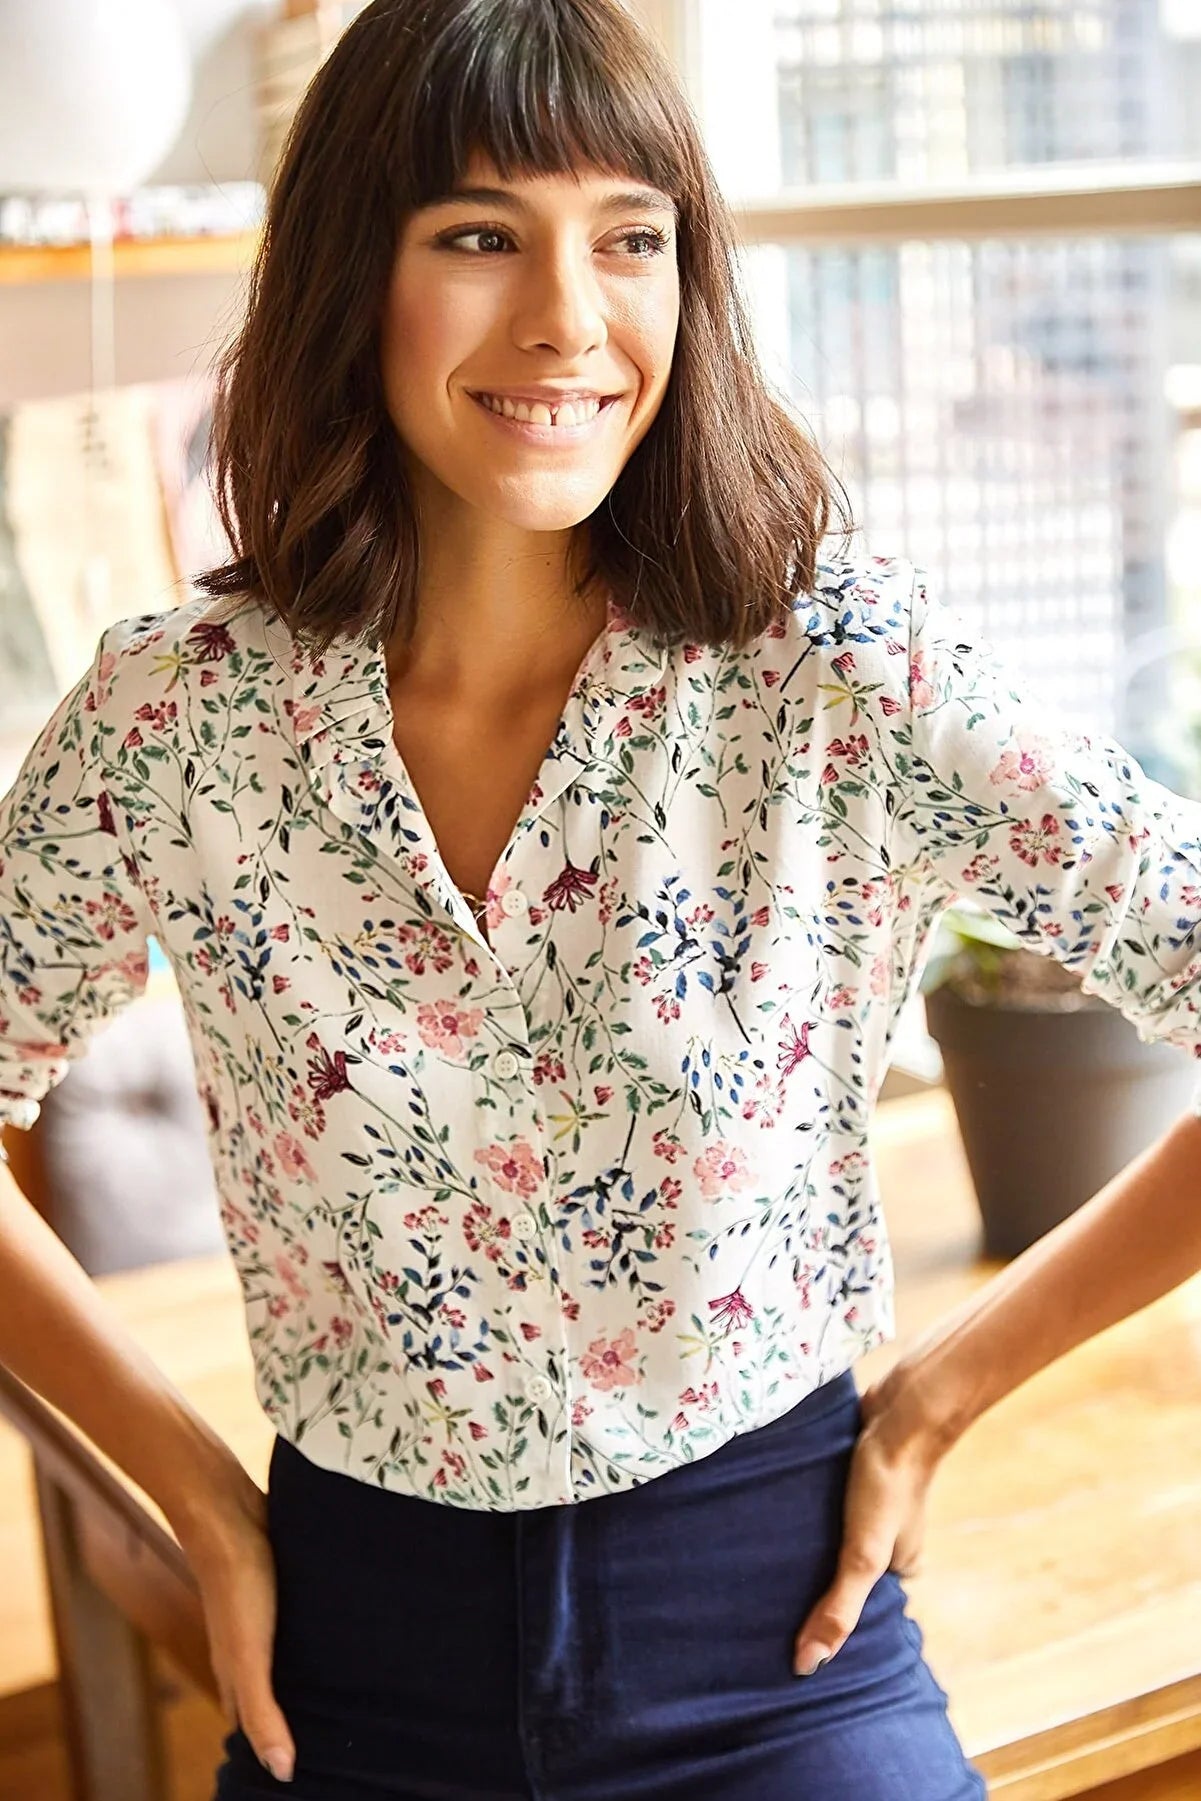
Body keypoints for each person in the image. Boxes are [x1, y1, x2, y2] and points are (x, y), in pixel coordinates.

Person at [1, 0, 1200, 1796]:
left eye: (629, 237)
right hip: (346, 1658)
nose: (567, 315)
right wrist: (184, 1482)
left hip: (775, 1643)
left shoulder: (834, 676)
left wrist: (948, 1382)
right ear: (354, 272)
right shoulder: (177, 719)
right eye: (479, 235)